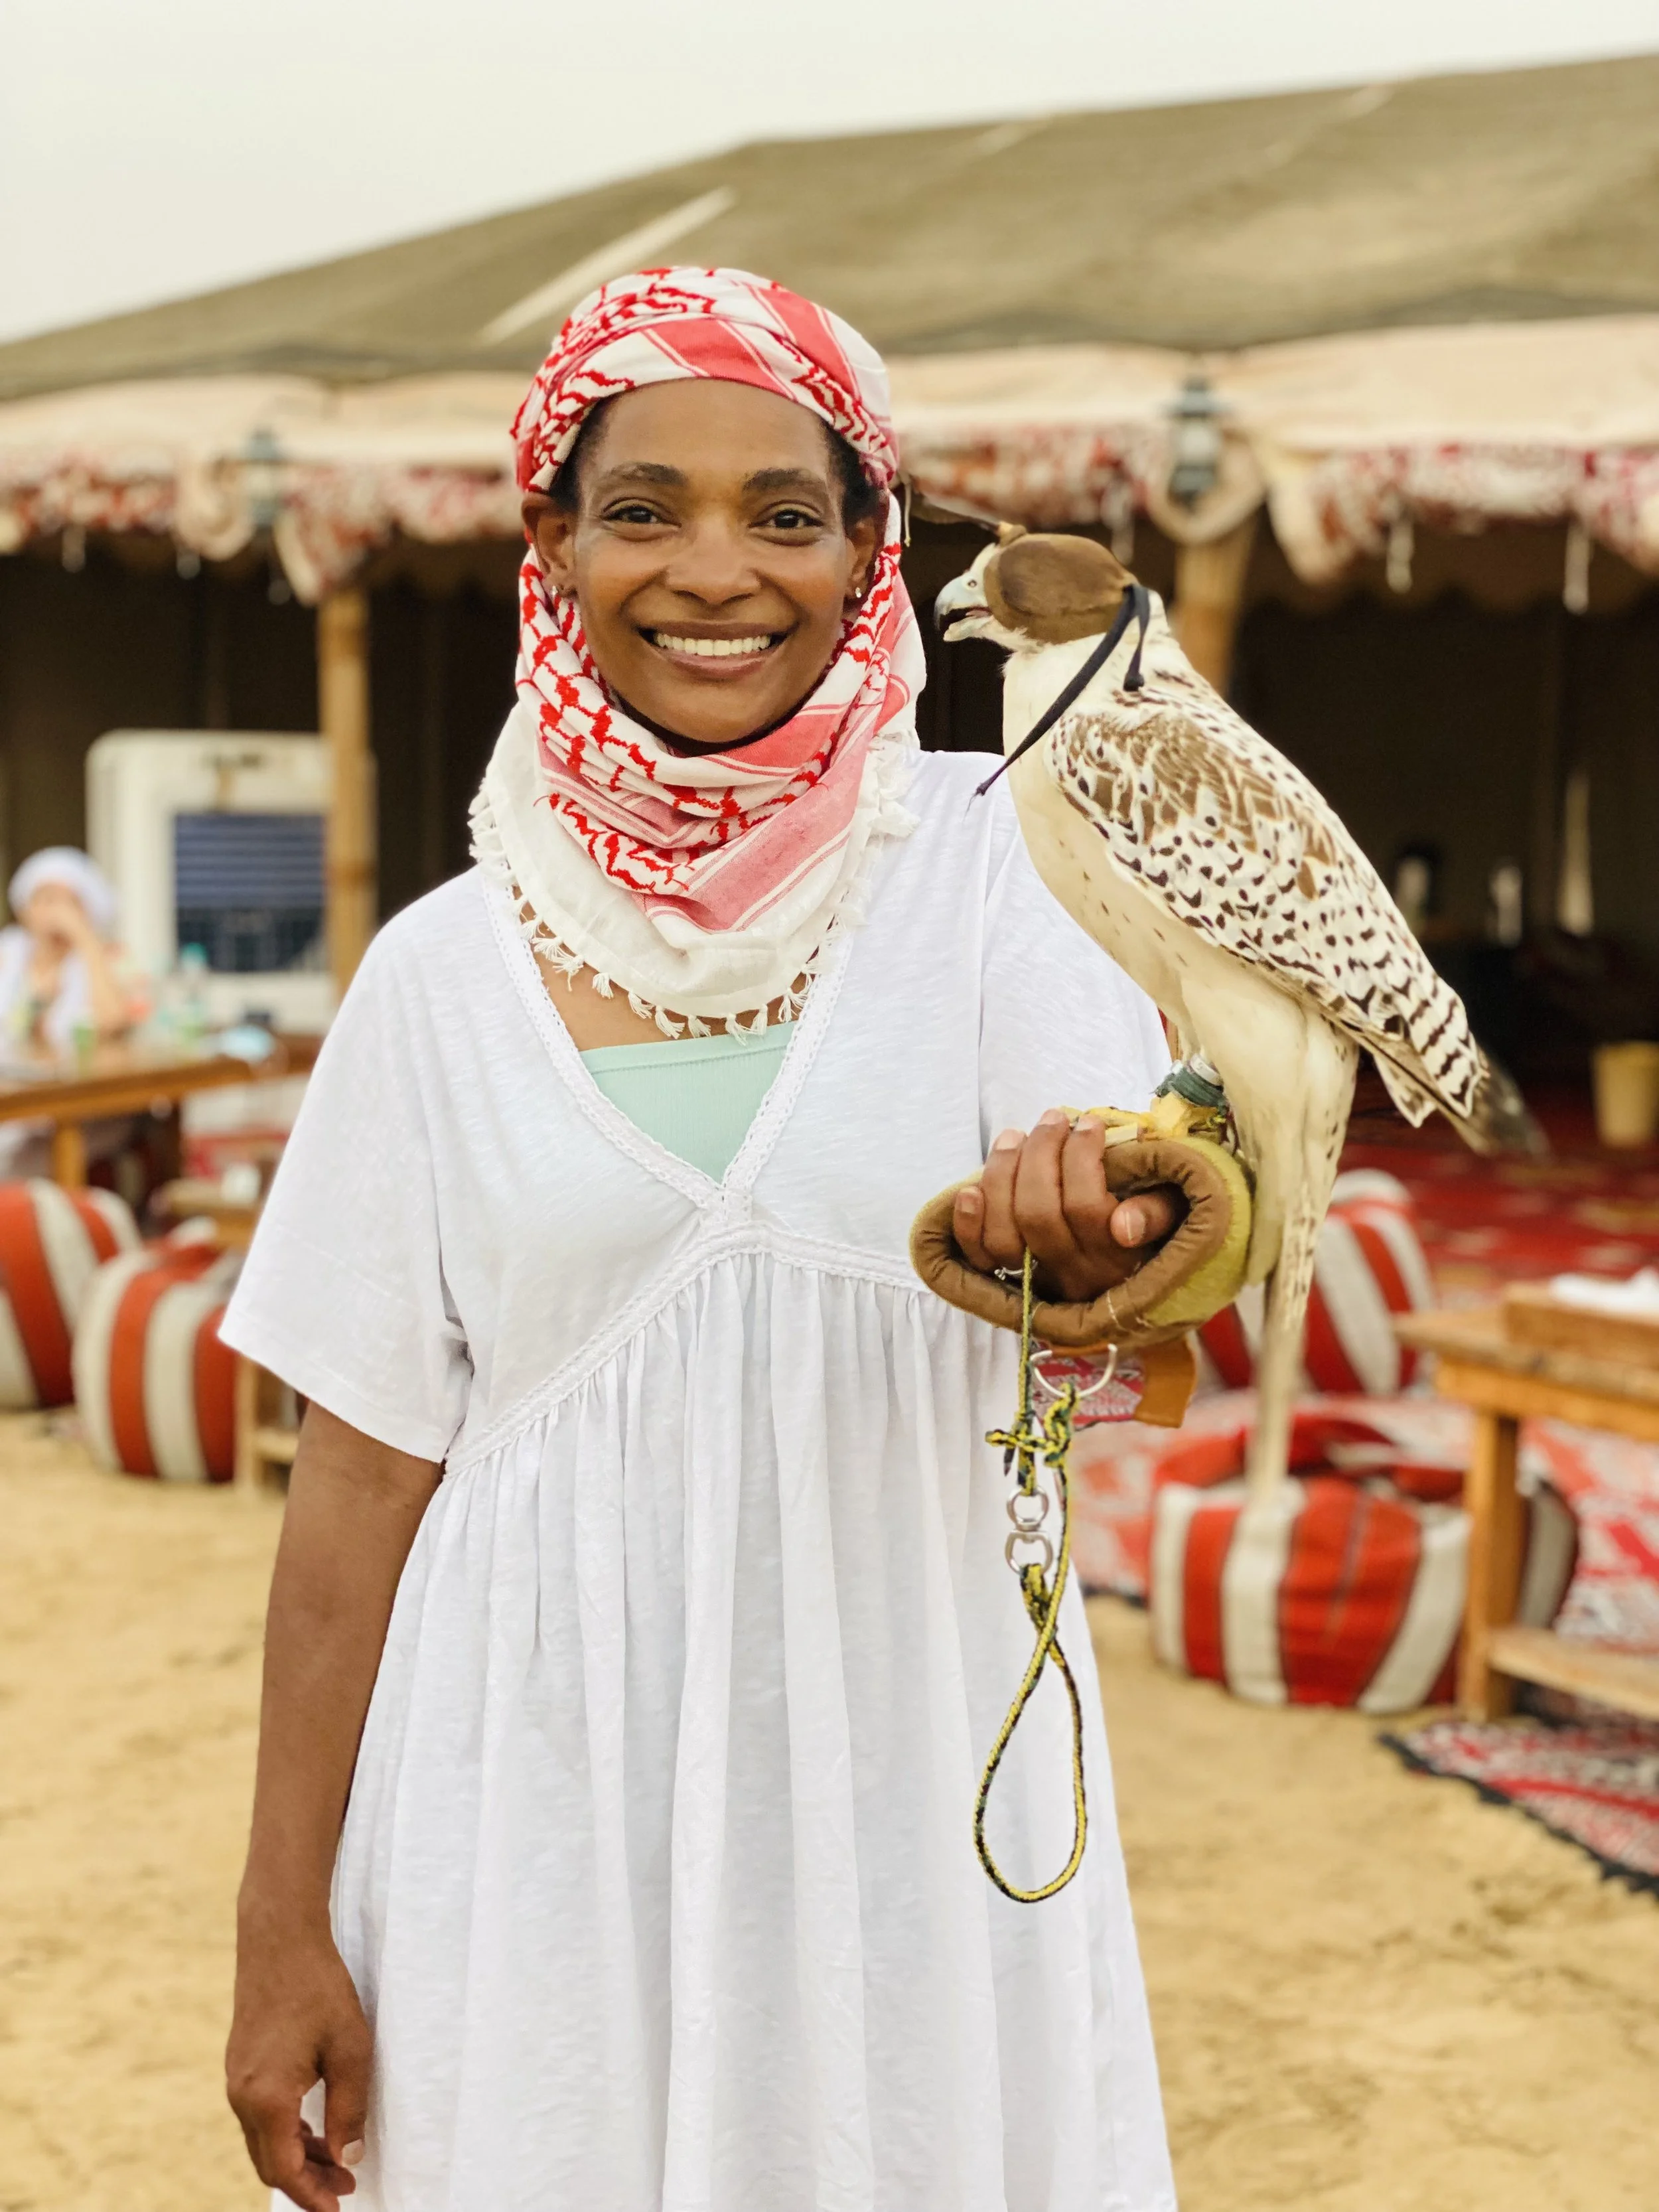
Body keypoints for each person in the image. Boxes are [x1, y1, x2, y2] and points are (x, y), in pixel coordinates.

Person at [222, 268, 1189, 2212]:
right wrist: (277, 1929)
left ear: (867, 554)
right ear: (552, 542)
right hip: (528, 1823)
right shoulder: (439, 974)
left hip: (900, 1795)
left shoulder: (997, 874)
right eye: (641, 505)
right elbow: (350, 1494)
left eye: (783, 510)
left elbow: (1153, 1295)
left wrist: (1092, 1233)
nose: (711, 570)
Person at [0, 847, 140, 1056]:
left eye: (70, 903)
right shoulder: (9, 949)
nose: (57, 913)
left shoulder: (106, 955)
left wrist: (86, 940)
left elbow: (113, 1022)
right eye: (46, 899)